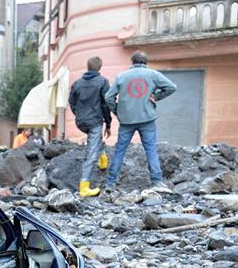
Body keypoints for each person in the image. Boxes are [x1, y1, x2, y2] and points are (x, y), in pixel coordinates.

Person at [104, 50, 177, 193]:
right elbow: (171, 87)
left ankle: (110, 184)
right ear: (145, 62)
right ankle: (156, 181)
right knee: (150, 150)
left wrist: (117, 111)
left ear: (132, 61)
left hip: (126, 120)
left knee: (120, 151)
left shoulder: (121, 76)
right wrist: (156, 96)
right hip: (147, 119)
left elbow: (108, 97)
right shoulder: (153, 74)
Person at [68, 56, 112, 197]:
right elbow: (106, 104)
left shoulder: (77, 83)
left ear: (87, 66)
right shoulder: (103, 82)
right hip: (94, 121)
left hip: (81, 122)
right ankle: (84, 187)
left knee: (95, 139)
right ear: (99, 67)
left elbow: (71, 102)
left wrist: (78, 114)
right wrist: (108, 123)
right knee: (90, 155)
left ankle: (103, 159)